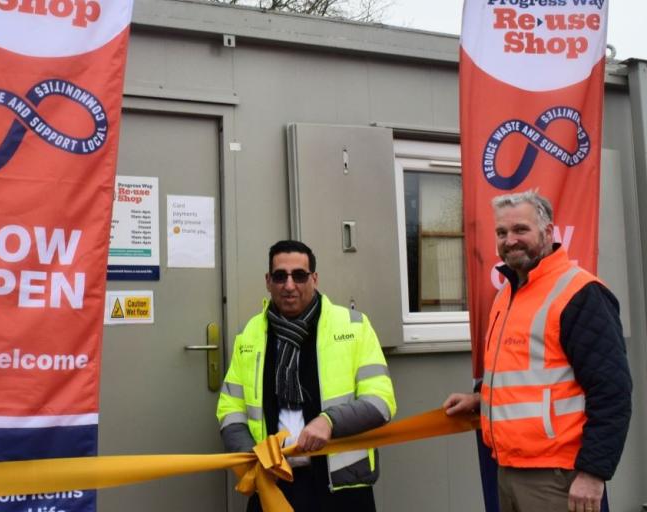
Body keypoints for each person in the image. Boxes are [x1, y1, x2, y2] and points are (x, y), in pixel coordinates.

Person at [443, 191, 632, 512]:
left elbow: (612, 392)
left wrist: (594, 473)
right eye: (502, 233)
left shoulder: (580, 293)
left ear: (547, 232)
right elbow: (527, 377)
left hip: (558, 477)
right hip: (509, 469)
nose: (510, 240)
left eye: (520, 230)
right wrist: (480, 399)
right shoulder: (507, 295)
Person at [217, 240, 396, 511]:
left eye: (299, 276)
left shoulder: (354, 326)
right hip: (272, 482)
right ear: (268, 281)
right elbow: (230, 409)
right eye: (280, 276)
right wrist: (252, 455)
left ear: (314, 278)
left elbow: (381, 403)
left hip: (340, 487)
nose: (289, 285)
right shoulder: (250, 334)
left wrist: (329, 421)